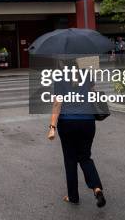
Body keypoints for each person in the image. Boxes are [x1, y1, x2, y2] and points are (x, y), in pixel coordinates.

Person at [47, 64, 106, 208]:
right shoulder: (86, 73)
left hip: (67, 123)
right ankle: (97, 189)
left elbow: (57, 103)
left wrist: (52, 127)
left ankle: (73, 196)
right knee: (85, 157)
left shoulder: (60, 75)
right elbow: (93, 93)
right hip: (87, 122)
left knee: (70, 160)